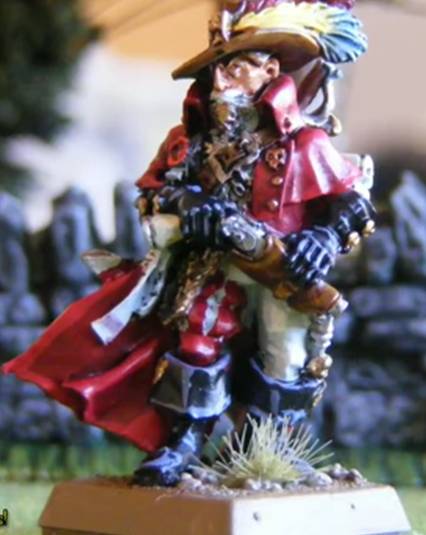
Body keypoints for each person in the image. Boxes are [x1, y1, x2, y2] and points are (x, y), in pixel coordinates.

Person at [2, 0, 375, 487]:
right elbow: (155, 192)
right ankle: (184, 438)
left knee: (284, 355)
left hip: (282, 270)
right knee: (198, 342)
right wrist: (189, 203)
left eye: (237, 67)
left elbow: (352, 204)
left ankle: (267, 446)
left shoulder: (304, 143)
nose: (223, 79)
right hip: (213, 263)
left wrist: (322, 238)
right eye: (220, 67)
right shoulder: (190, 141)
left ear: (269, 72)